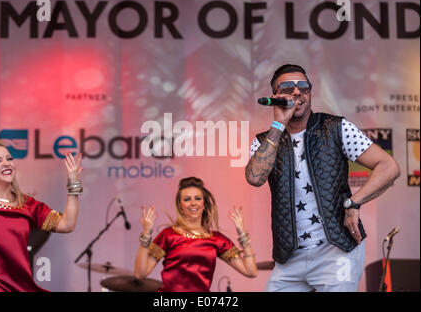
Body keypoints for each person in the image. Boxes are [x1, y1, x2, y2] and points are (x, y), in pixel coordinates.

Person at [245, 64, 401, 292]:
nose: (297, 92)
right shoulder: (265, 141)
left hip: (337, 251)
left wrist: (353, 202)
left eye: (304, 87)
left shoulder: (336, 128)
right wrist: (278, 124)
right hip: (289, 258)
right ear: (275, 97)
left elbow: (389, 166)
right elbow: (254, 177)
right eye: (288, 87)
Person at [0, 139, 83, 292]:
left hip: (18, 287)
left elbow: (67, 224)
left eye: (9, 158)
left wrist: (73, 184)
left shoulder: (28, 205)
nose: (6, 163)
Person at [134, 177, 257, 292]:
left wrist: (242, 234)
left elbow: (250, 271)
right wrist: (146, 234)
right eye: (187, 199)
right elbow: (140, 273)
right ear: (180, 206)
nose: (193, 203)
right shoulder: (168, 235)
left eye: (198, 198)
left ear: (204, 204)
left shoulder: (217, 239)